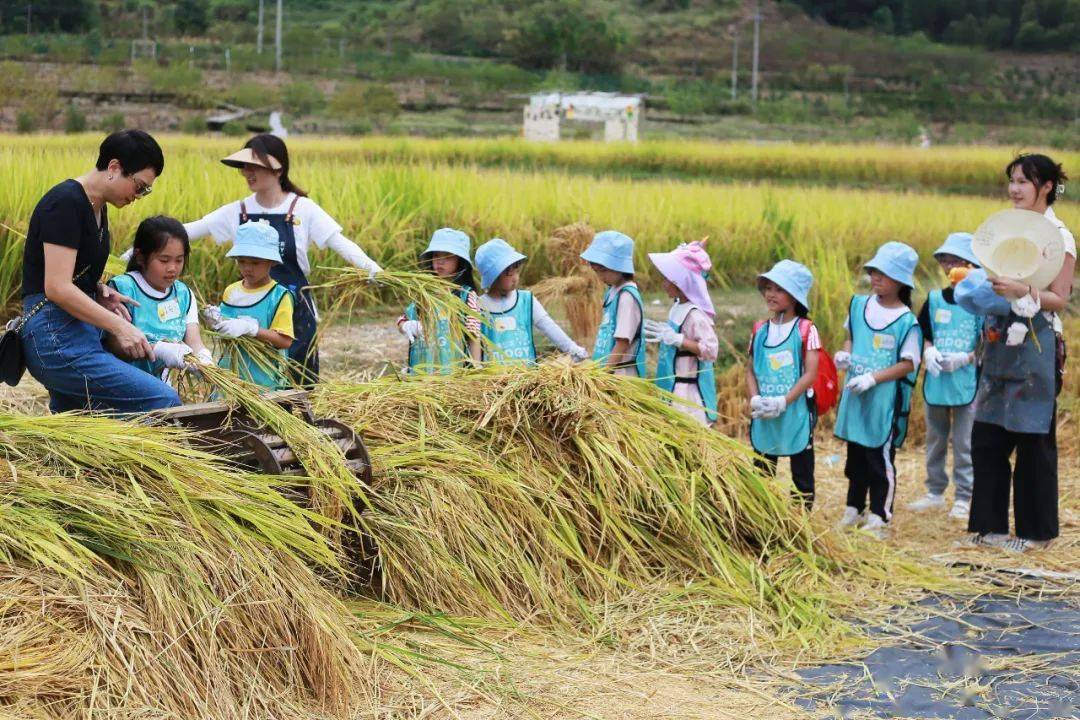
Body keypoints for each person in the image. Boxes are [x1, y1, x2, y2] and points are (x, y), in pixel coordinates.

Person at [179, 134, 381, 385]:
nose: (248, 173)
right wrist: (142, 246)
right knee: (254, 380)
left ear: (278, 169)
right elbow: (190, 231)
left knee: (300, 379)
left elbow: (338, 242)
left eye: (256, 166)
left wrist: (372, 268)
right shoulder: (238, 211)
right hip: (252, 312)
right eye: (245, 167)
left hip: (295, 309)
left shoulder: (302, 209)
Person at [18, 129, 179, 413]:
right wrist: (119, 326)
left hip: (76, 332)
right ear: (114, 168)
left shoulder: (98, 208)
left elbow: (71, 276)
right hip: (56, 337)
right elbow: (56, 287)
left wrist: (96, 290)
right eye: (139, 186)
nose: (138, 196)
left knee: (81, 425)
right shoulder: (65, 202)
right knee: (162, 401)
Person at [966, 153, 1073, 553]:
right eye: (1012, 180)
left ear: (1046, 187)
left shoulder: (1059, 237)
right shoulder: (1005, 229)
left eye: (1024, 182)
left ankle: (1036, 533)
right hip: (998, 339)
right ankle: (988, 526)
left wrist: (1024, 292)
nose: (1014, 189)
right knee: (988, 433)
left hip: (1037, 343)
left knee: (1032, 439)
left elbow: (1060, 298)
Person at [833, 242, 922, 538]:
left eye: (884, 273)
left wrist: (874, 378)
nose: (876, 278)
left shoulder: (907, 321)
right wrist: (845, 355)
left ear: (901, 282)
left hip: (883, 399)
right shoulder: (859, 304)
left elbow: (908, 364)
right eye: (873, 272)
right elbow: (851, 337)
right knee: (855, 452)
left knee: (878, 457)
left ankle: (879, 515)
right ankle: (853, 507)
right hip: (856, 394)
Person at [908, 233, 981, 521]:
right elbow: (923, 334)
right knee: (936, 437)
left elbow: (986, 341)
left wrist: (967, 357)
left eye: (956, 260)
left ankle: (964, 495)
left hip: (966, 381)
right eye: (946, 260)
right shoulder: (935, 299)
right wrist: (929, 353)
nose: (950, 266)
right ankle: (935, 492)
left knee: (964, 441)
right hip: (937, 380)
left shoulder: (979, 301)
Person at [746, 260, 820, 506]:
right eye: (768, 288)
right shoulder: (760, 329)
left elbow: (810, 373)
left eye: (779, 289)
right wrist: (755, 397)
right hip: (764, 412)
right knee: (762, 472)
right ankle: (763, 521)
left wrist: (783, 401)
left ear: (795, 296)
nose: (771, 294)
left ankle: (801, 526)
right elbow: (750, 369)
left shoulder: (806, 329)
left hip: (795, 412)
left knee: (801, 474)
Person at [106, 216, 211, 382]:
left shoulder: (184, 294)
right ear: (140, 256)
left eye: (179, 260)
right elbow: (115, 345)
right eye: (164, 260)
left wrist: (204, 359)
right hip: (123, 384)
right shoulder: (122, 290)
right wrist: (158, 349)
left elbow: (194, 341)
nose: (172, 268)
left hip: (162, 386)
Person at [207, 222, 295, 389]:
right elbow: (226, 330)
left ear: (272, 262)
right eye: (241, 261)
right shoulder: (231, 292)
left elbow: (285, 341)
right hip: (232, 373)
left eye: (255, 263)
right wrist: (215, 321)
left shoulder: (278, 296)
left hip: (265, 377)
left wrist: (251, 329)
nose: (247, 268)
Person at [474, 238, 587, 365]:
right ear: (493, 276)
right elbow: (474, 342)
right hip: (493, 381)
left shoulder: (526, 301)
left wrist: (573, 349)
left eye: (517, 271)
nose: (515, 278)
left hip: (526, 378)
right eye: (509, 274)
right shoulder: (478, 307)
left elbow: (548, 326)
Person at [645, 240, 719, 427]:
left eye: (667, 279)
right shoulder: (677, 307)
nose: (663, 284)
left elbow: (711, 350)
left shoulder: (695, 315)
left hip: (687, 395)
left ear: (681, 283)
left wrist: (679, 340)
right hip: (671, 388)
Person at [397, 228, 482, 374]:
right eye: (436, 255)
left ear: (460, 261)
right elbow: (402, 320)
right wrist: (406, 326)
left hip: (451, 375)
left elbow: (474, 335)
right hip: (421, 373)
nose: (440, 262)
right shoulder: (424, 292)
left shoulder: (466, 296)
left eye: (448, 256)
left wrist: (476, 369)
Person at [580, 230, 646, 377]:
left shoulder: (627, 297)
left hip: (620, 375)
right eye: (596, 271)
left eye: (603, 271)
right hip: (608, 372)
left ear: (619, 267)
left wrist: (604, 374)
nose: (599, 276)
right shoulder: (613, 291)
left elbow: (622, 342)